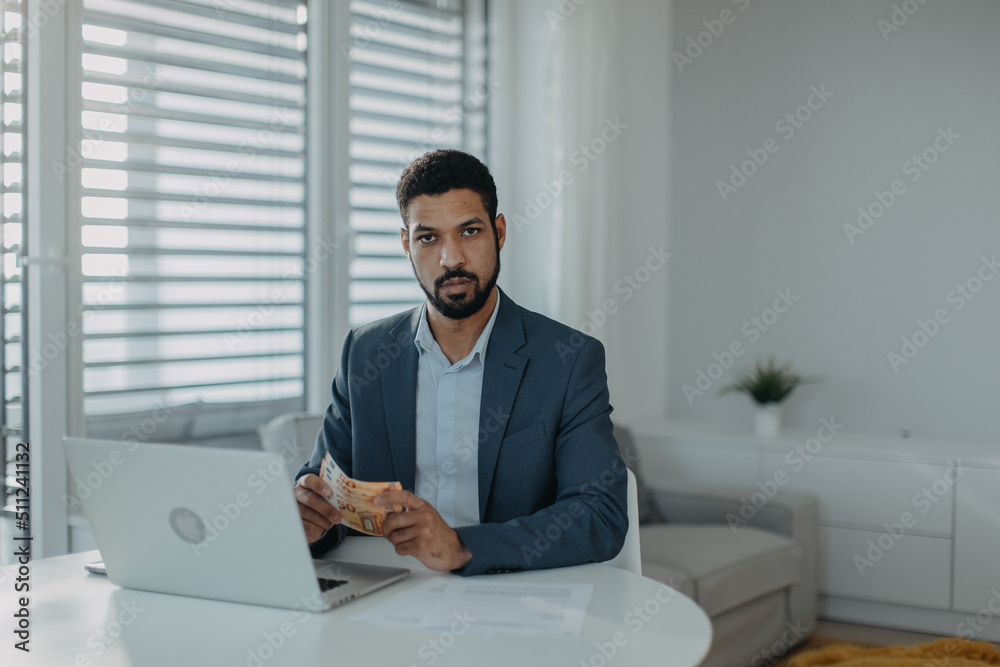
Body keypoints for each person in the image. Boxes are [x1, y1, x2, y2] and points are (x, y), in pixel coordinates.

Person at [294, 149, 627, 576]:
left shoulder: (567, 360)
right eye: (428, 237)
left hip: (514, 591)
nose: (451, 259)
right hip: (388, 591)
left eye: (469, 231)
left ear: (499, 232)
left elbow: (600, 514)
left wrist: (462, 546)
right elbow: (326, 492)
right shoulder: (365, 353)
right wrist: (309, 521)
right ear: (405, 244)